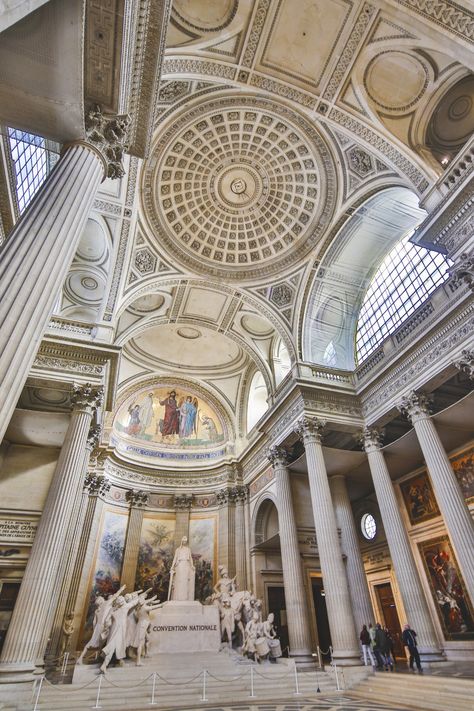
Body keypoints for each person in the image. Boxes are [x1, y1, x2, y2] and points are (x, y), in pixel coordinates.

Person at [77, 584, 126, 664]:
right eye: (103, 598)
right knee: (109, 641)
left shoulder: (98, 610)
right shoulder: (106, 604)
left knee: (93, 643)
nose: (105, 598)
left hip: (97, 627)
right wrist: (121, 589)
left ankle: (81, 658)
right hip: (103, 627)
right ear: (101, 600)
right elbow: (115, 596)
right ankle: (108, 659)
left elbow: (94, 622)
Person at [168, 535, 195, 601]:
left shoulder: (188, 549)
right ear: (181, 541)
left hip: (186, 565)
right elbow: (175, 558)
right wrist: (172, 566)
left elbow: (190, 558)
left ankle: (185, 598)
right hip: (179, 565)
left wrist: (192, 565)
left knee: (185, 581)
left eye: (185, 541)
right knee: (179, 581)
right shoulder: (178, 549)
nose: (184, 542)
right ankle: (178, 597)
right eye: (183, 541)